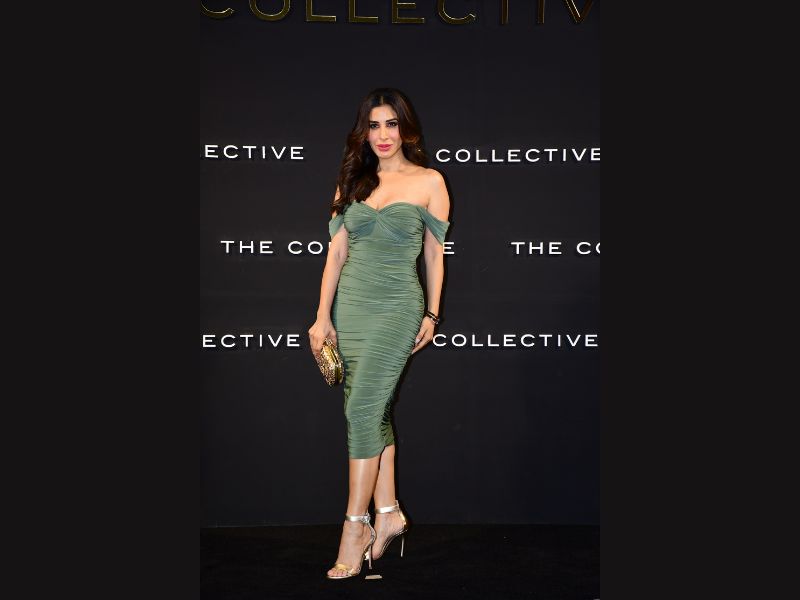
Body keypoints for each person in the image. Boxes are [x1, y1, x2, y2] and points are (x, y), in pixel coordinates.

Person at [307, 87, 451, 580]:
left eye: (392, 124)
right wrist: (322, 316)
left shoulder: (430, 181)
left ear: (406, 129)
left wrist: (432, 314)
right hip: (351, 308)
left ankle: (356, 527)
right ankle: (388, 512)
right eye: (374, 125)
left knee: (363, 410)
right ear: (363, 132)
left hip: (396, 308)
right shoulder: (351, 179)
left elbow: (434, 254)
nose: (383, 134)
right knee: (370, 409)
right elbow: (335, 254)